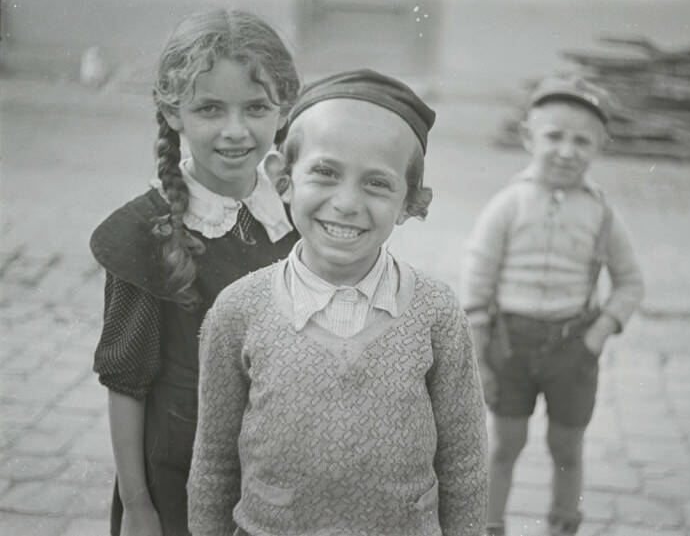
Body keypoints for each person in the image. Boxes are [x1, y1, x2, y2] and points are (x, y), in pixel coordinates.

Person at [188, 69, 488, 536]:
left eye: (377, 184)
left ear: (411, 203)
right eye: (325, 173)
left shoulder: (436, 312)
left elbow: (464, 462)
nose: (346, 203)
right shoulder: (239, 310)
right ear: (282, 179)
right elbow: (213, 462)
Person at [89, 9, 300, 536]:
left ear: (284, 108)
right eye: (210, 108)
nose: (235, 131)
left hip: (280, 470)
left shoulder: (297, 216)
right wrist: (138, 506)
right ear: (173, 111)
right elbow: (126, 383)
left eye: (256, 108)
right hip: (177, 477)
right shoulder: (146, 231)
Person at [460, 76, 644, 536]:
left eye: (582, 140)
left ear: (601, 145)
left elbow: (630, 283)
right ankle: (490, 525)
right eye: (554, 136)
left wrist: (599, 334)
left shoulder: (601, 213)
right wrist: (480, 356)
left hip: (572, 347)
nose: (567, 150)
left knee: (567, 447)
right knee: (504, 445)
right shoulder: (508, 205)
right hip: (510, 344)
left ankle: (562, 525)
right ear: (528, 138)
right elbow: (477, 283)